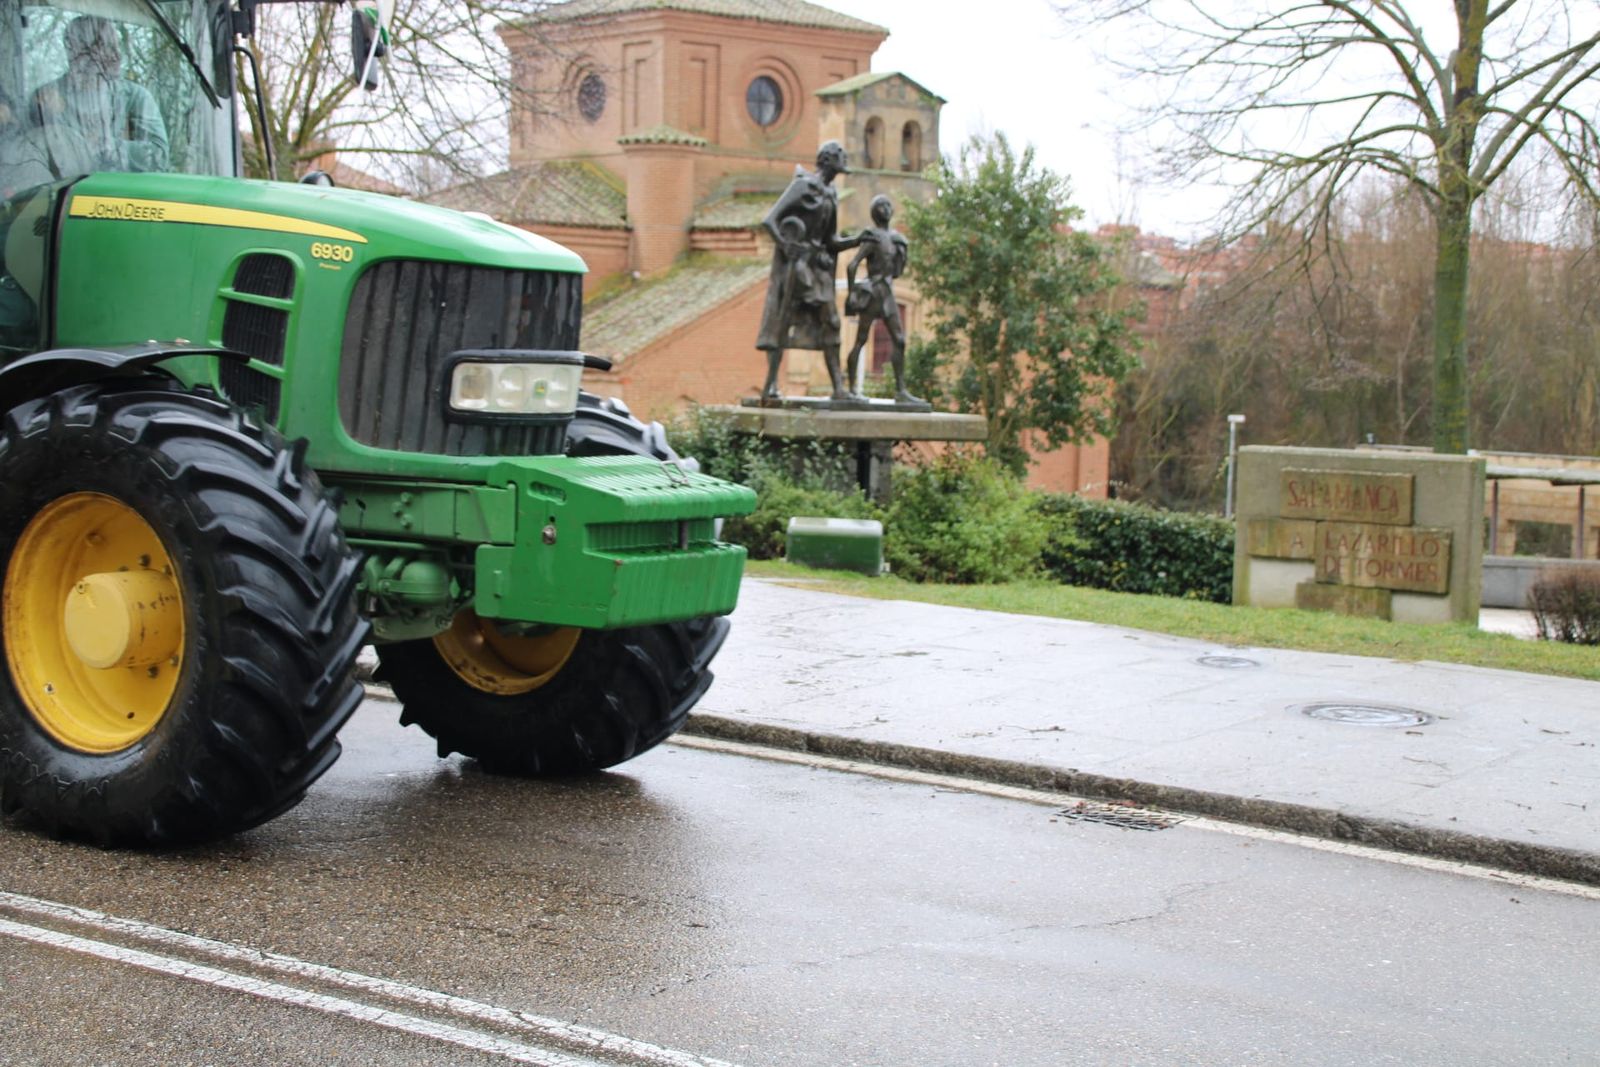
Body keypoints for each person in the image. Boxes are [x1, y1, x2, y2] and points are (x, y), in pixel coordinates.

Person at [755, 140, 862, 401]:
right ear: (827, 161)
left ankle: (838, 389)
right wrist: (786, 246)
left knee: (832, 323)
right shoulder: (804, 185)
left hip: (818, 268)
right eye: (838, 162)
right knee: (783, 321)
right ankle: (771, 385)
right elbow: (770, 220)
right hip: (797, 266)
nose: (840, 169)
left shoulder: (831, 194)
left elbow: (831, 241)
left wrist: (858, 240)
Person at [31, 15, 168, 174]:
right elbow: (29, 157)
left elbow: (159, 157)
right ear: (77, 53)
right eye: (106, 47)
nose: (117, 55)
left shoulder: (135, 98)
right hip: (64, 195)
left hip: (124, 195)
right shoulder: (45, 98)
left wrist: (106, 145)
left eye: (117, 47)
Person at [844, 194, 922, 405]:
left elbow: (897, 270)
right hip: (874, 292)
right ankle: (851, 389)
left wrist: (901, 253)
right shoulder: (873, 236)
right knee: (860, 340)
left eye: (888, 205)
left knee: (900, 340)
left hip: (887, 293)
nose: (886, 209)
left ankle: (901, 391)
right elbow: (852, 265)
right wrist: (852, 293)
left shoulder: (896, 238)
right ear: (875, 212)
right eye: (881, 206)